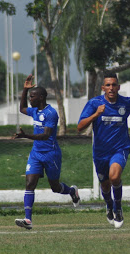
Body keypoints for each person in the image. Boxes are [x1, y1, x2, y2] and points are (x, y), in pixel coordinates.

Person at [77, 72, 130, 229]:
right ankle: (109, 205)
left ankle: (118, 208)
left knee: (114, 177)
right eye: (108, 85)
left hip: (120, 148)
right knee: (105, 185)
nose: (111, 88)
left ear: (118, 87)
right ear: (103, 88)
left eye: (114, 85)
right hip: (100, 152)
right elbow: (80, 127)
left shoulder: (126, 103)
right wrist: (96, 114)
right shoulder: (94, 104)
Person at [13, 74, 80, 230]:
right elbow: (22, 108)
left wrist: (26, 136)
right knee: (30, 184)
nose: (30, 99)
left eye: (32, 96)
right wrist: (25, 89)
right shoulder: (35, 111)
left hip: (51, 154)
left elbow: (46, 135)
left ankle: (72, 191)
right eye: (29, 96)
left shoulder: (51, 113)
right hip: (36, 153)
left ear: (42, 97)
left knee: (55, 187)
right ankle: (28, 220)